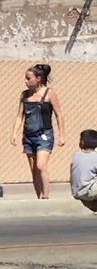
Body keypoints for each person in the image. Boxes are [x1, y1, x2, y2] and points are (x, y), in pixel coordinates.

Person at [12, 63, 66, 199]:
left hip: (44, 135)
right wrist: (14, 133)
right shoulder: (24, 95)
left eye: (28, 78)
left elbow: (59, 114)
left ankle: (46, 196)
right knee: (33, 169)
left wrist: (61, 135)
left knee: (41, 165)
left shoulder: (49, 94)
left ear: (38, 78)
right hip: (28, 135)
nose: (26, 81)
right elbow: (20, 115)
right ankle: (39, 196)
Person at [70, 129, 97, 202]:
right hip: (87, 192)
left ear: (82, 142)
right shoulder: (95, 157)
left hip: (76, 192)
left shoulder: (76, 155)